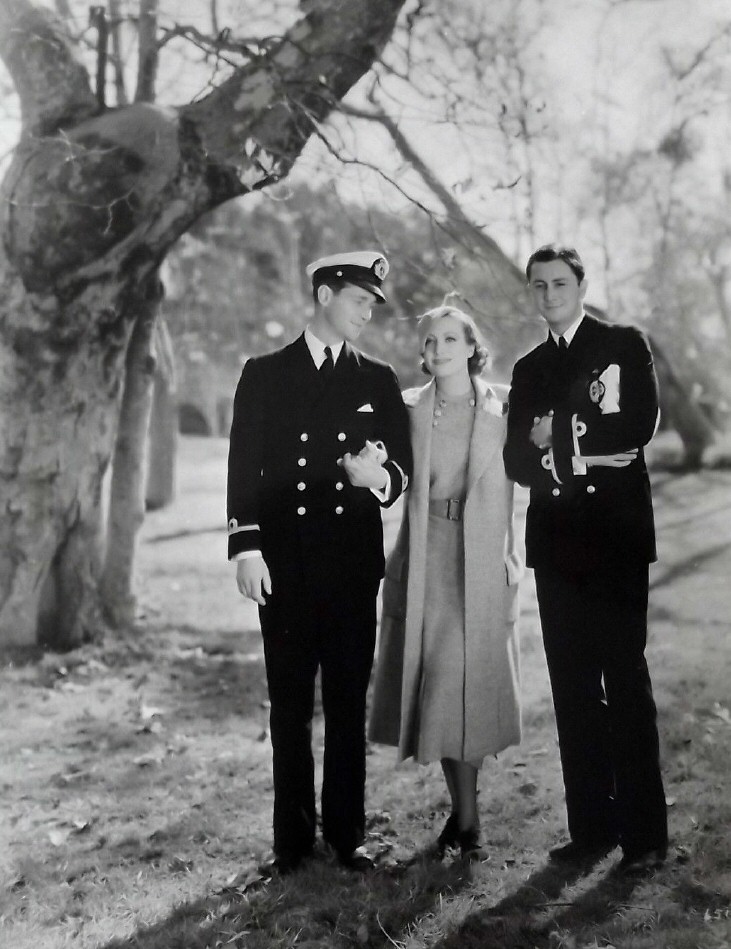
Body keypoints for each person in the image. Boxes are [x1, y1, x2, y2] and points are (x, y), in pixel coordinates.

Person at [227, 250, 412, 874]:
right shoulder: (264, 373)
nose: (368, 312)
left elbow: (403, 469)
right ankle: (292, 842)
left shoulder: (378, 378)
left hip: (352, 568)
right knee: (288, 706)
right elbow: (242, 468)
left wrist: (378, 478)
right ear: (326, 294)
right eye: (360, 299)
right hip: (284, 565)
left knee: (345, 703)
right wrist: (246, 546)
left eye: (372, 304)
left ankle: (346, 835)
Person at [503, 243, 668, 875]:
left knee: (625, 679)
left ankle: (645, 837)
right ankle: (592, 828)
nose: (549, 295)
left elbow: (639, 425)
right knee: (572, 686)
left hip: (617, 536)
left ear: (580, 284)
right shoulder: (527, 367)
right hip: (557, 541)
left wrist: (558, 435)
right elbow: (519, 460)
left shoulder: (624, 343)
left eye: (560, 283)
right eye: (538, 286)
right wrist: (577, 447)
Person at [368, 304, 522, 860]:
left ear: (471, 345)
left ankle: (467, 816)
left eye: (450, 339)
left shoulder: (505, 405)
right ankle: (466, 815)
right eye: (430, 341)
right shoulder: (408, 408)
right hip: (426, 555)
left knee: (468, 686)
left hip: (481, 554)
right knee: (439, 689)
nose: (439, 349)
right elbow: (388, 471)